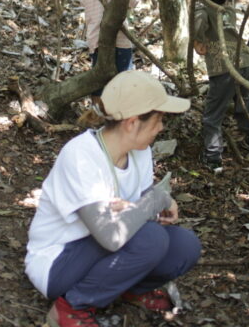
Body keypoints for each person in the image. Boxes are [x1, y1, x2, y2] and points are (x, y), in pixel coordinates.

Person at [25, 71, 201, 327]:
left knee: (185, 246)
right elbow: (111, 234)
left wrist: (154, 203)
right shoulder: (81, 155)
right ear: (131, 123)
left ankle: (130, 289)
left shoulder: (140, 152)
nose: (161, 127)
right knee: (150, 239)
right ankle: (70, 308)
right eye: (158, 119)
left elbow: (140, 206)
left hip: (101, 249)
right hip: (58, 262)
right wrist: (156, 199)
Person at [193, 0, 249, 173]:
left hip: (222, 67)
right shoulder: (229, 9)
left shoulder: (204, 10)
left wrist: (197, 39)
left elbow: (198, 22)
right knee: (244, 103)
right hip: (244, 62)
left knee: (213, 114)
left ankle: (213, 157)